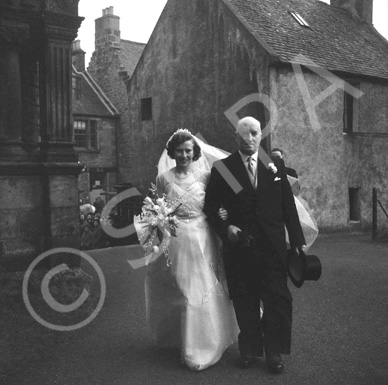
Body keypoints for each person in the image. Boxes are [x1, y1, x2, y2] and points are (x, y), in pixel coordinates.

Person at [203, 117, 306, 374]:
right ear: (235, 138)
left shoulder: (275, 165)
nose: (250, 139)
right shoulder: (223, 169)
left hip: (272, 246)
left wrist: (297, 241)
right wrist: (226, 228)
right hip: (240, 247)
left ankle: (273, 351)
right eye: (244, 135)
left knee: (276, 299)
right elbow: (212, 207)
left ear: (261, 135)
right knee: (245, 299)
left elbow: (287, 205)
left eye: (255, 133)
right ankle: (248, 347)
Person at [144, 129, 239, 371]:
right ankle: (182, 340)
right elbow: (160, 206)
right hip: (175, 239)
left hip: (202, 236)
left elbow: (219, 200)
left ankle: (202, 345)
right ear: (172, 153)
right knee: (179, 288)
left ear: (195, 152)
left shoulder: (206, 176)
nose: (184, 154)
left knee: (199, 288)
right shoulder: (163, 178)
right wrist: (158, 222)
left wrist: (223, 212)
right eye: (180, 151)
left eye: (188, 150)